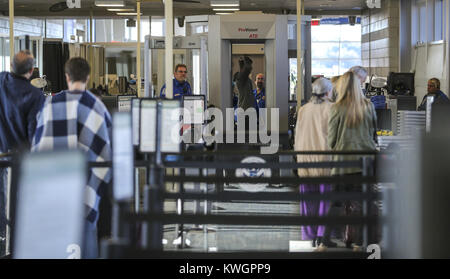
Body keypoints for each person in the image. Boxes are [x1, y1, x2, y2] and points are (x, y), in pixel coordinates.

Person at [32, 57, 112, 259]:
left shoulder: (50, 104)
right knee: (86, 244)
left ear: (67, 76)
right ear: (88, 76)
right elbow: (106, 154)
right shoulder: (97, 107)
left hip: (54, 190)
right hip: (86, 189)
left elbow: (38, 147)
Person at [0, 50, 45, 256]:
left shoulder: (1, 80)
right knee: (13, 207)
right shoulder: (34, 95)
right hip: (15, 159)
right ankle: (11, 249)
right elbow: (34, 133)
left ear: (10, 67)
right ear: (32, 70)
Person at [327, 71, 377, 251]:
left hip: (342, 163)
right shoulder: (369, 106)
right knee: (362, 204)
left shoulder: (337, 107)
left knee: (336, 202)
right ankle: (358, 243)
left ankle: (325, 242)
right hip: (365, 163)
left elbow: (331, 140)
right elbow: (374, 134)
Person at [294, 78, 334, 249]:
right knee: (325, 199)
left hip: (305, 159)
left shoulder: (303, 109)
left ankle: (310, 234)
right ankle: (322, 236)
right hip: (325, 160)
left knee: (308, 199)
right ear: (327, 92)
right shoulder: (332, 109)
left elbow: (297, 134)